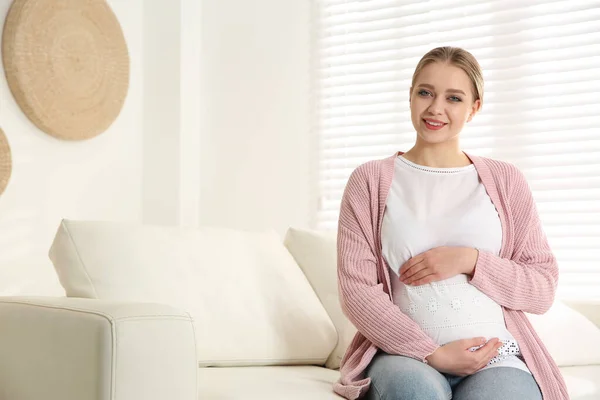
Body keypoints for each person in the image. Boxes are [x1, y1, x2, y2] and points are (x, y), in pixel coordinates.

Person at [333, 46, 569, 400]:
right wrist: (431, 352)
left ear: (474, 107)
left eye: (454, 98)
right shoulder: (370, 180)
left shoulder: (506, 180)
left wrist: (470, 260)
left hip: (495, 359)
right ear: (410, 96)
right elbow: (357, 292)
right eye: (425, 92)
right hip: (405, 356)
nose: (435, 108)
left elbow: (542, 288)